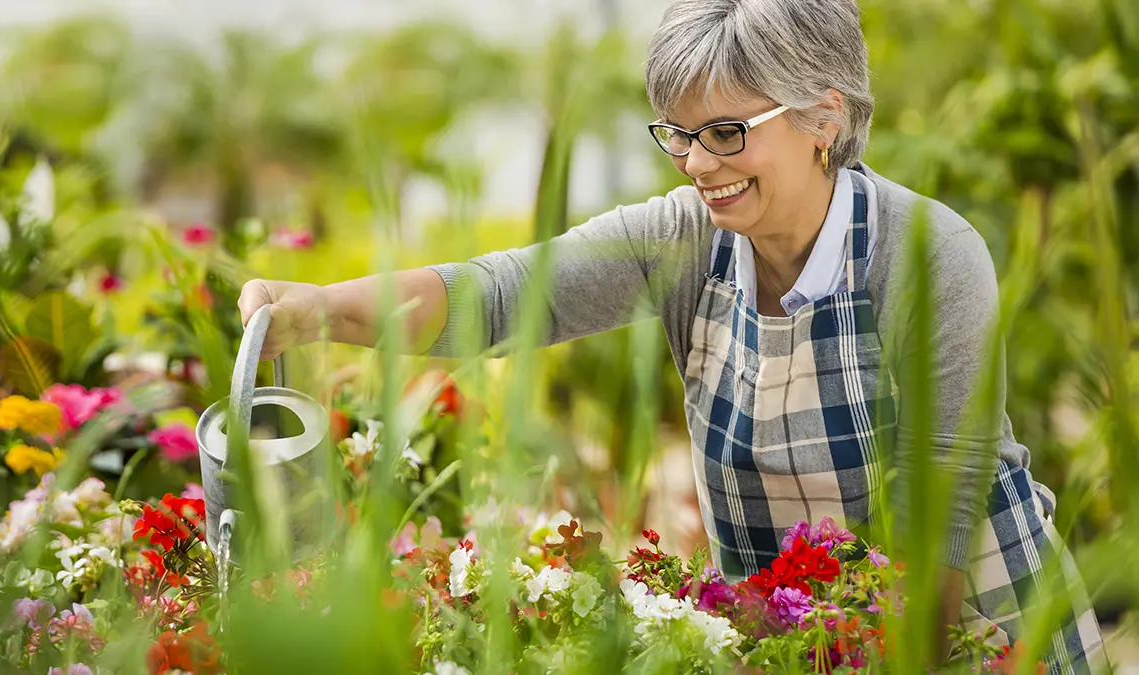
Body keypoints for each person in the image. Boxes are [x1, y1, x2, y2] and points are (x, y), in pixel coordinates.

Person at [237, 0, 1104, 670]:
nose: (697, 164)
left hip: (978, 627)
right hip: (798, 643)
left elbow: (936, 533)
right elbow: (499, 297)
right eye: (681, 135)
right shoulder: (686, 239)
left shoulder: (927, 256)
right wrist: (320, 308)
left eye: (727, 132)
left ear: (824, 118)